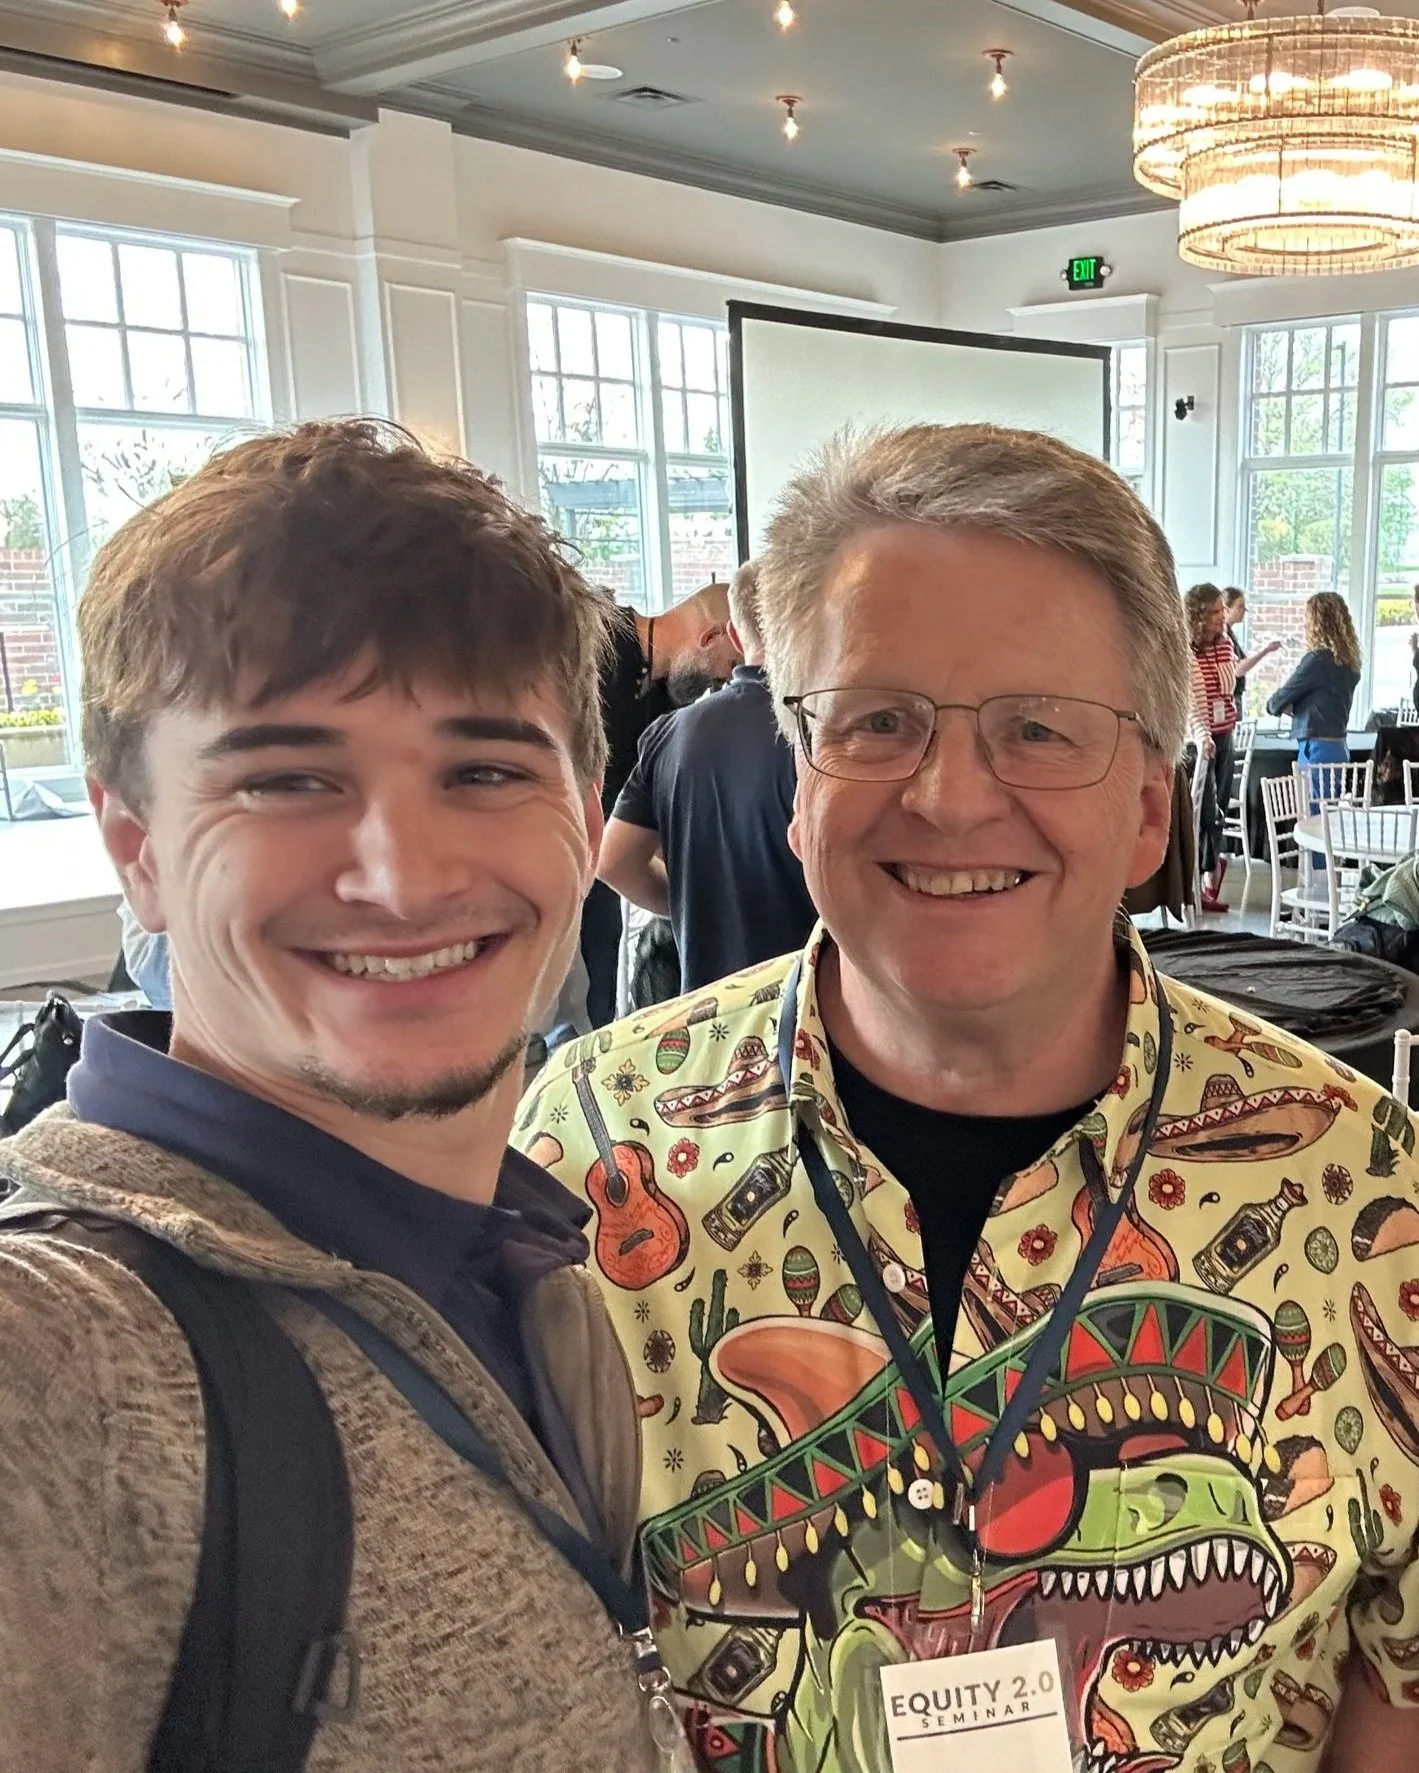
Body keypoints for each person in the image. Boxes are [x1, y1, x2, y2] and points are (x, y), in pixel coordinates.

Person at [515, 423, 1419, 1773]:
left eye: (1036, 729)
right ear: (795, 787)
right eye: (875, 721)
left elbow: (1389, 1686)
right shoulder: (586, 1151)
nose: (945, 795)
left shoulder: (1361, 1183)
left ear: (1144, 807)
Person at [0, 421, 664, 1772]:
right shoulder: (73, 1362)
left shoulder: (544, 1277)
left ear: (583, 810)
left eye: (484, 770)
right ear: (137, 846)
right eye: (287, 779)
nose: (402, 875)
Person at [596, 561, 817, 994]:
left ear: (735, 635)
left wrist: (690, 909)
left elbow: (614, 862)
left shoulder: (668, 734)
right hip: (810, 995)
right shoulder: (826, 730)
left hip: (706, 1003)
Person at [581, 580, 738, 1026]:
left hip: (598, 868)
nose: (724, 681)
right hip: (550, 850)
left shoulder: (667, 704)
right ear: (708, 637)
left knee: (603, 978)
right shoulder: (596, 644)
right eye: (728, 666)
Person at [1186, 581, 1278, 911]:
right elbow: (1195, 700)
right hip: (1200, 740)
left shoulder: (1225, 645)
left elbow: (1228, 687)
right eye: (1213, 612)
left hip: (1226, 735)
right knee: (1204, 812)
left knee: (1219, 809)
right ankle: (1205, 872)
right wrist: (1203, 736)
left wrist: (1224, 651)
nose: (1219, 618)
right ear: (1197, 615)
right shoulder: (1186, 650)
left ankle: (1208, 880)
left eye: (1221, 611)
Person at [1266, 589, 1363, 798]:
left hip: (1316, 748)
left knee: (1315, 818)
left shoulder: (1317, 660)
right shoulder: (1349, 662)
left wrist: (1291, 706)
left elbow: (1277, 701)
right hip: (1338, 744)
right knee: (1330, 816)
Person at [1223, 584, 1250, 706]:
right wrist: (1266, 650)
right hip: (1229, 697)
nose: (1244, 610)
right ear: (1227, 609)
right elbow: (1238, 668)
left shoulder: (1231, 634)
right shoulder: (1224, 636)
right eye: (1240, 607)